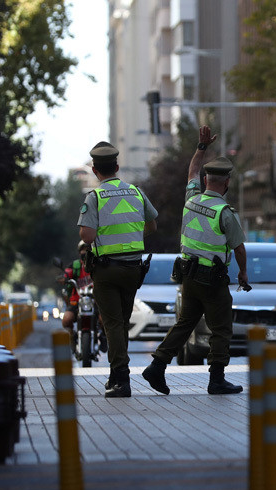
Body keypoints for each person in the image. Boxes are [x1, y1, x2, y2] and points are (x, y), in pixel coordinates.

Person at [142, 125, 250, 396]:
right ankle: (216, 380)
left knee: (185, 323)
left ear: (205, 181)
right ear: (226, 183)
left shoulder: (190, 200)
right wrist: (243, 274)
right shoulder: (225, 212)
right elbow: (238, 248)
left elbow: (191, 170)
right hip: (212, 281)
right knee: (222, 328)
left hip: (188, 276)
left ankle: (156, 366)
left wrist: (201, 148)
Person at [78, 141, 158, 397]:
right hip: (133, 268)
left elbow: (87, 236)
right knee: (121, 322)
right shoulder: (136, 192)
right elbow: (152, 226)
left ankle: (121, 380)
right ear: (117, 166)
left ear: (94, 170)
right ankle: (115, 375)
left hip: (107, 270)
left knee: (112, 324)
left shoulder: (95, 197)